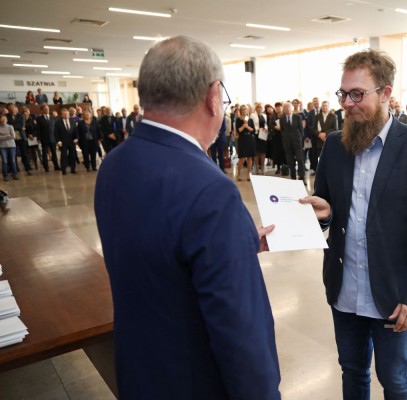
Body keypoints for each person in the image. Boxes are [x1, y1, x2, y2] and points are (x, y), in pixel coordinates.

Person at [94, 36, 280, 399]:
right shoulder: (211, 190)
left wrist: (233, 247)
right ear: (213, 97)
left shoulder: (114, 164)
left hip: (140, 372)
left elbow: (158, 251)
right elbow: (241, 335)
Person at [300, 49, 407, 400]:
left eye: (357, 94)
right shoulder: (336, 145)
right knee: (352, 371)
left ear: (385, 93)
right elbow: (329, 209)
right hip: (344, 289)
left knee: (394, 379)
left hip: (394, 295)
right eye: (343, 94)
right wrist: (324, 213)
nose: (347, 103)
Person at [280, 101, 306, 183]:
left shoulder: (297, 117)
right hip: (287, 143)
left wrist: (300, 140)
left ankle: (302, 177)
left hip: (297, 142)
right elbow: (282, 130)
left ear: (291, 108)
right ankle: (293, 178)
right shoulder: (282, 118)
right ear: (284, 109)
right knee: (290, 161)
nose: (287, 109)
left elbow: (301, 130)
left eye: (288, 107)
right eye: (285, 108)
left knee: (300, 160)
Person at [35, 104, 60, 172]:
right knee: (45, 153)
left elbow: (55, 128)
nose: (47, 110)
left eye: (48, 109)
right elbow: (38, 129)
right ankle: (46, 167)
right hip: (44, 138)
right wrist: (39, 139)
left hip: (52, 138)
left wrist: (57, 137)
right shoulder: (39, 119)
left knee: (54, 153)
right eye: (45, 109)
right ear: (42, 110)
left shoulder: (52, 117)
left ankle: (56, 166)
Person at [234, 104, 256, 181]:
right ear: (240, 110)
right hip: (242, 139)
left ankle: (248, 175)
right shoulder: (238, 120)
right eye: (243, 109)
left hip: (250, 139)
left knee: (250, 158)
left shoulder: (250, 120)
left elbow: (253, 130)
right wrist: (244, 126)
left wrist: (247, 127)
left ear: (247, 110)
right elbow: (238, 130)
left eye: (245, 109)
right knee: (242, 158)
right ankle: (238, 174)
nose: (244, 110)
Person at [55, 108, 78, 175]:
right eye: (64, 114)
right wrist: (58, 141)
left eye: (67, 114)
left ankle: (73, 169)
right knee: (64, 156)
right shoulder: (58, 122)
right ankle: (63, 170)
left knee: (73, 155)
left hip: (72, 141)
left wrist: (76, 138)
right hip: (63, 142)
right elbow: (56, 133)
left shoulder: (72, 121)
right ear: (61, 115)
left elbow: (76, 131)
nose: (66, 115)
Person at [250, 102, 268, 174]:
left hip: (263, 134)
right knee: (257, 152)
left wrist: (266, 128)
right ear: (256, 108)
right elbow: (251, 124)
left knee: (263, 152)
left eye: (261, 107)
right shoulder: (252, 115)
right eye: (258, 107)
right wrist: (256, 129)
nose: (259, 109)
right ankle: (257, 167)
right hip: (256, 134)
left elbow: (265, 124)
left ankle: (263, 167)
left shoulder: (264, 115)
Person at [0, 115, 19, 181]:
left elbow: (13, 136)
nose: (3, 120)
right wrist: (7, 135)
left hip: (12, 146)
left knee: (13, 160)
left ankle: (15, 174)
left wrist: (3, 136)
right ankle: (5, 175)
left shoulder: (10, 126)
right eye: (2, 119)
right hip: (2, 146)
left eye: (4, 119)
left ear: (6, 120)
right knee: (5, 161)